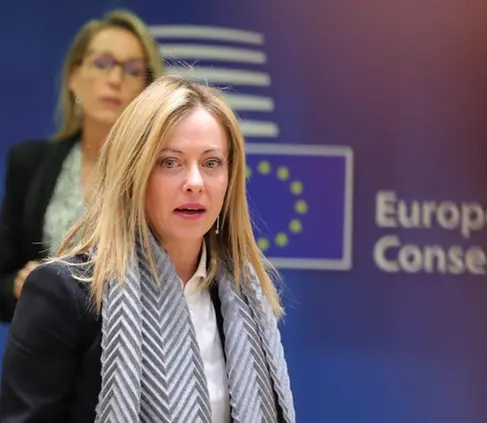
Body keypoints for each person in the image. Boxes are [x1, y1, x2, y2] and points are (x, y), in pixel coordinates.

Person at [0, 75, 296, 423]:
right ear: (133, 174)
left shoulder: (244, 296)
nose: (195, 183)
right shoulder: (63, 293)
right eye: (170, 162)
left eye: (212, 163)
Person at [0, 9, 164, 322]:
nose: (115, 79)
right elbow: (2, 279)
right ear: (74, 76)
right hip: (46, 355)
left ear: (147, 90)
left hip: (140, 357)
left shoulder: (163, 171)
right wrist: (21, 286)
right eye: (102, 64)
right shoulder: (29, 163)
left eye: (132, 70)